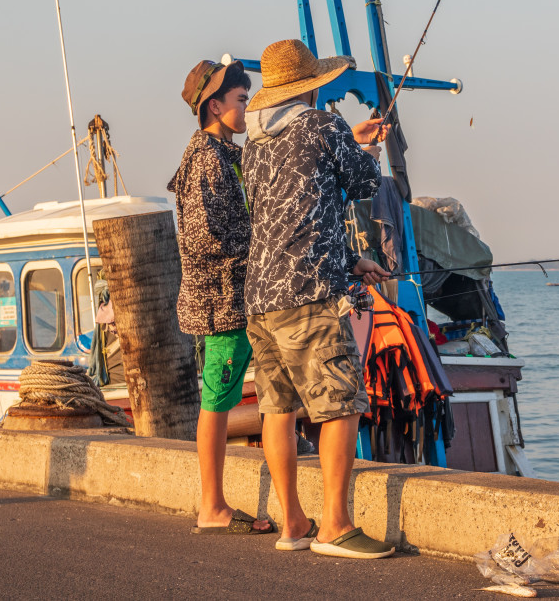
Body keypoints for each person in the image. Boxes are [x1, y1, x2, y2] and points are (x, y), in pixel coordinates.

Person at [242, 39, 394, 558]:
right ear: (311, 84)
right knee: (340, 402)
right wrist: (366, 149)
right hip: (307, 295)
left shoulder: (254, 142)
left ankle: (292, 524)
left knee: (278, 408)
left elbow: (294, 211)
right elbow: (364, 180)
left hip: (261, 297)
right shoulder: (322, 126)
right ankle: (335, 526)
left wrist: (351, 259)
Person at [168, 59, 273, 535]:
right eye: (241, 100)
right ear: (215, 105)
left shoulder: (225, 151)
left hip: (234, 298)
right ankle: (211, 504)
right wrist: (260, 242)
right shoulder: (207, 157)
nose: (246, 108)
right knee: (216, 398)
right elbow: (204, 234)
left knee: (221, 396)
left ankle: (218, 502)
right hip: (221, 303)